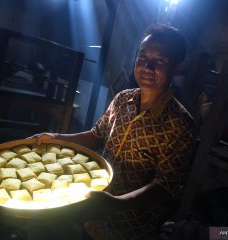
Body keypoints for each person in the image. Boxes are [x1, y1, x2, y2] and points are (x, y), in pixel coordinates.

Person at [31, 23, 196, 240]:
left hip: (132, 226)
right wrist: (56, 138)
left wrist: (116, 204)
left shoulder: (180, 122)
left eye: (160, 61)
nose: (147, 66)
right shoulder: (122, 100)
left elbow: (165, 187)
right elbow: (97, 135)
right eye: (142, 56)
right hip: (93, 210)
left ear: (177, 68)